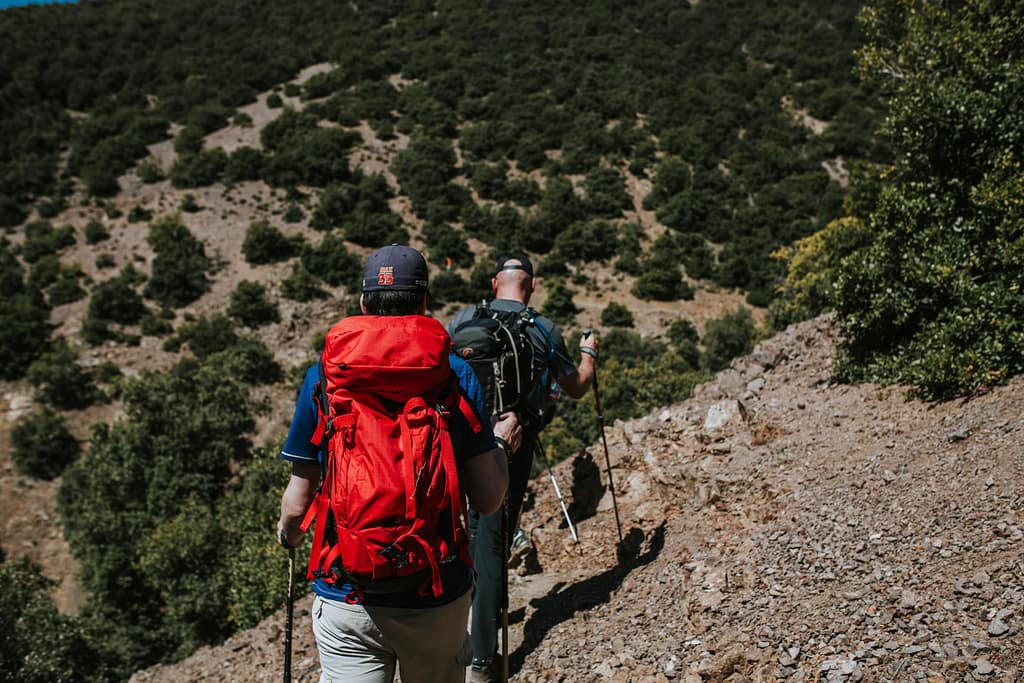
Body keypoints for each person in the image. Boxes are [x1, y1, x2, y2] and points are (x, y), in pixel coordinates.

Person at [277, 245, 520, 683]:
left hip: (348, 590)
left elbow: (298, 503)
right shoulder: (455, 374)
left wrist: (288, 536)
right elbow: (487, 499)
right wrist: (500, 445)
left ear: (364, 302)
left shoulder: (324, 377)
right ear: (425, 303)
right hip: (436, 591)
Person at [447, 253, 598, 682]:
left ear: (495, 282)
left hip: (458, 441)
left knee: (465, 532)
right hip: (509, 444)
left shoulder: (460, 321)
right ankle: (481, 660)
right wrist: (588, 354)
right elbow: (577, 388)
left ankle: (455, 630)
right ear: (531, 285)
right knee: (492, 538)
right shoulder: (541, 329)